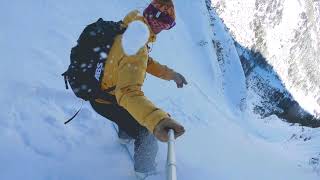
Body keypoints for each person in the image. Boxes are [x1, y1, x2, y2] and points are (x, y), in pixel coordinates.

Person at [89, 0, 187, 178]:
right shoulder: (137, 47)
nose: (164, 30)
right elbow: (127, 93)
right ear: (159, 24)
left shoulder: (132, 26)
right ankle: (145, 173)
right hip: (105, 98)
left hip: (101, 90)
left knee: (130, 108)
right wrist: (158, 121)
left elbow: (145, 63)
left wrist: (171, 74)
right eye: (166, 26)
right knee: (146, 131)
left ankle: (125, 135)